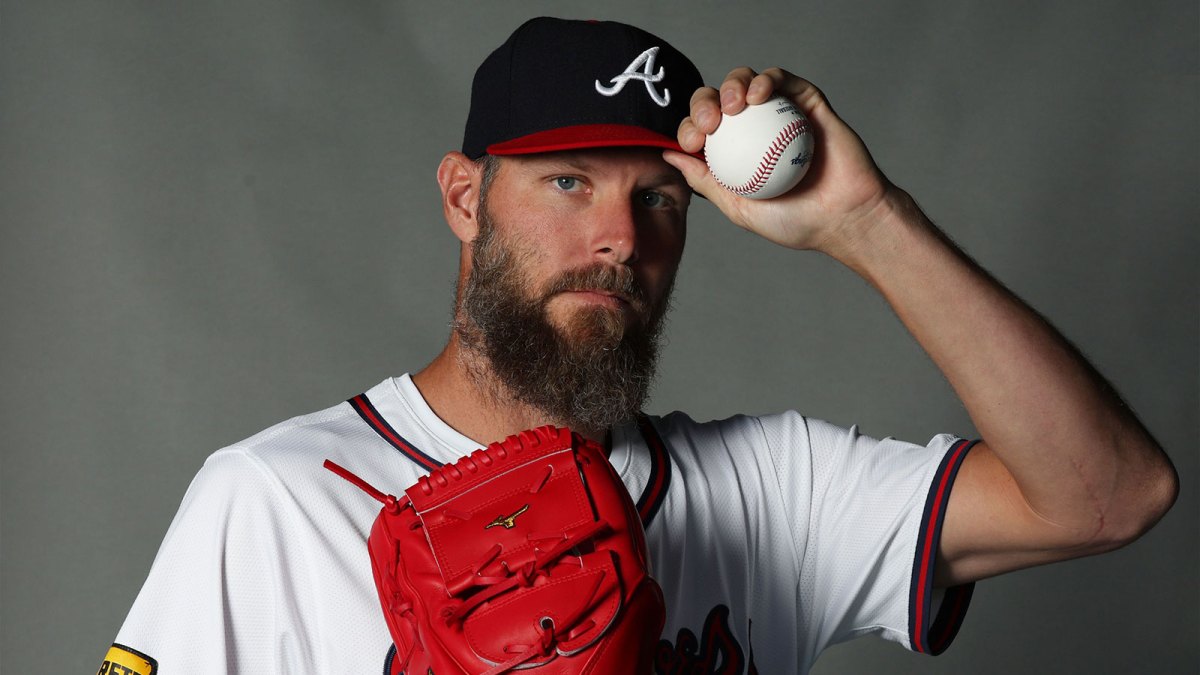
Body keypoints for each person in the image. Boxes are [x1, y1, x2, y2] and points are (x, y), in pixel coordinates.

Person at [100, 16, 1177, 675]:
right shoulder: (277, 502)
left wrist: (866, 223)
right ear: (465, 197)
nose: (620, 237)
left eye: (659, 198)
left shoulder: (769, 490)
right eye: (568, 183)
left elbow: (1108, 495)